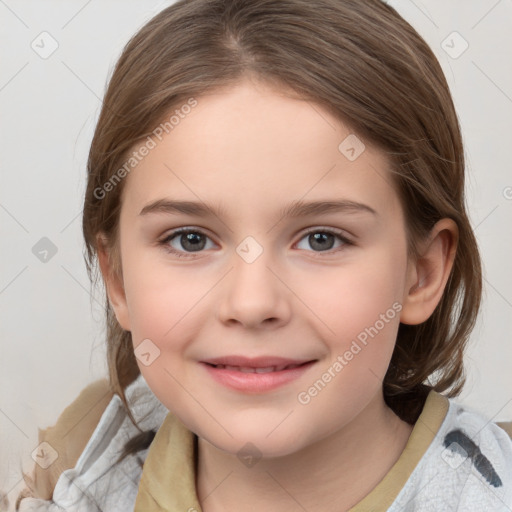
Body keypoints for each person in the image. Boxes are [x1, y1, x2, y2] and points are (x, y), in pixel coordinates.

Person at [13, 0, 512, 510]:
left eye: (322, 239)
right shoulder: (79, 461)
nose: (252, 304)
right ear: (117, 278)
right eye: (190, 239)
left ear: (422, 274)